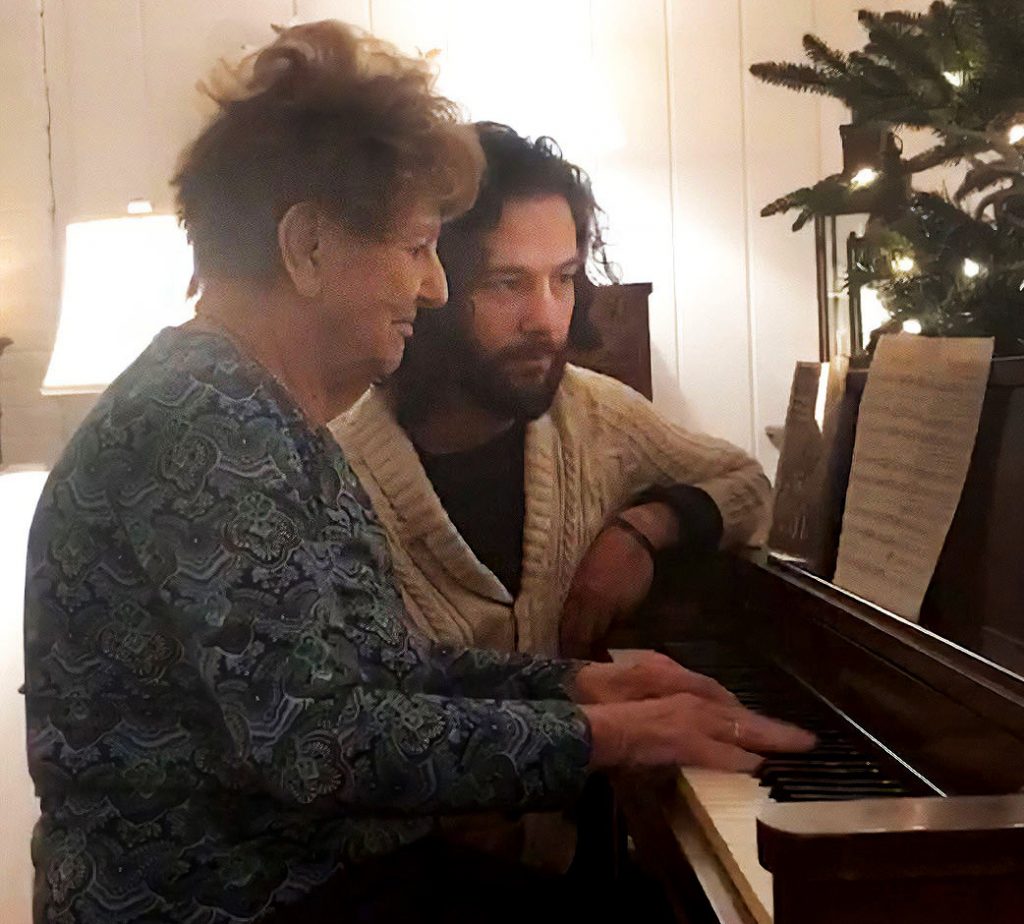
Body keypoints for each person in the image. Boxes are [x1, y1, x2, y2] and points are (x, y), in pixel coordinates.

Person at [23, 22, 811, 924]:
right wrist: (606, 733)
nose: (434, 288)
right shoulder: (204, 424)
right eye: (417, 248)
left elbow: (373, 672)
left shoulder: (257, 411)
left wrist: (574, 686)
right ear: (307, 246)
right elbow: (319, 743)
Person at [331, 122, 772, 662]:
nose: (545, 321)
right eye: (506, 283)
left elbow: (749, 485)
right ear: (430, 283)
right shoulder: (337, 467)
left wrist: (643, 531)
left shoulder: (594, 415)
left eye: (562, 279)